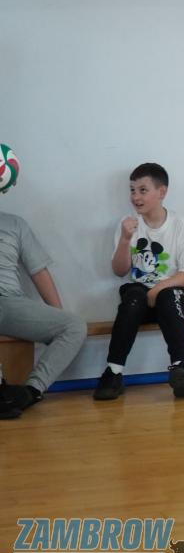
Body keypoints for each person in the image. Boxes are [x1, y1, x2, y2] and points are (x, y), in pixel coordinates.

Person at [93, 163, 184, 401]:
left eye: (143, 190)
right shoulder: (128, 224)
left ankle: (181, 368)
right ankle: (113, 372)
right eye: (132, 190)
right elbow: (119, 271)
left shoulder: (180, 224)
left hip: (172, 296)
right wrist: (125, 239)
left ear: (161, 192)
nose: (135, 197)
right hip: (140, 298)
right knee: (133, 295)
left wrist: (158, 289)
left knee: (168, 295)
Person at [0, 176, 87, 419]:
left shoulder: (15, 224)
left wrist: (57, 316)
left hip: (11, 303)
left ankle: (31, 392)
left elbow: (38, 271)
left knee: (74, 326)